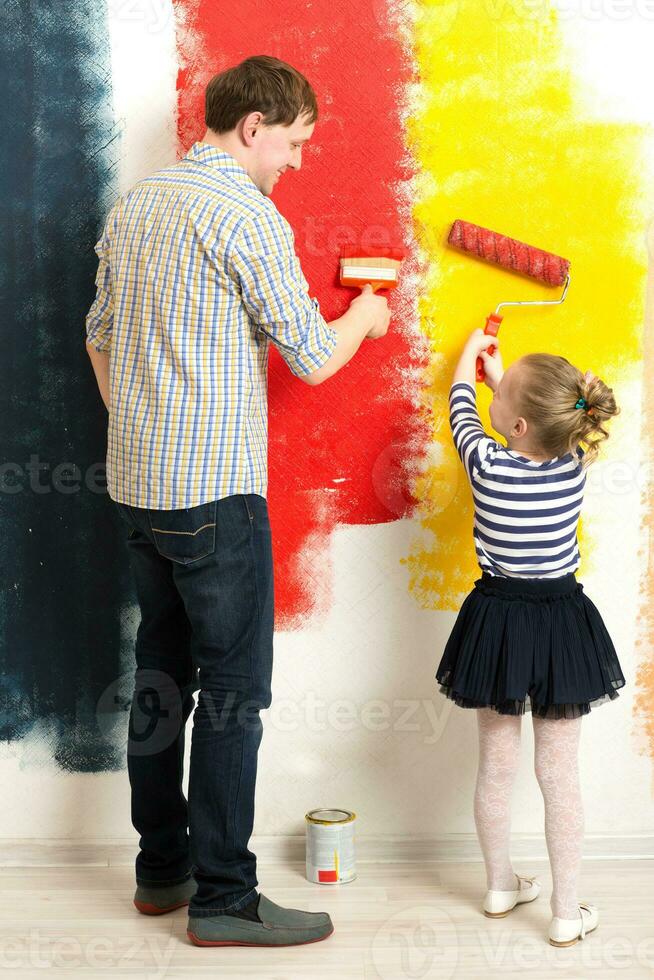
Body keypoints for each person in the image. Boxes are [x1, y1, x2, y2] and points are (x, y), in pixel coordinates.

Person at [84, 55, 390, 948]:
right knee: (232, 697)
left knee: (162, 679)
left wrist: (146, 432)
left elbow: (99, 340)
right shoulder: (246, 217)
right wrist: (367, 319)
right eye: (292, 143)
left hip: (142, 491)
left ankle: (161, 870)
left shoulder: (137, 203)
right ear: (252, 126)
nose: (294, 162)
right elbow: (312, 356)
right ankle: (223, 898)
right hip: (217, 499)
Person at [436, 328, 625, 948]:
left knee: (495, 768)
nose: (493, 399)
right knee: (559, 775)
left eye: (504, 399)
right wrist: (511, 387)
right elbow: (542, 421)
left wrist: (473, 355)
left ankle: (498, 885)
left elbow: (461, 401)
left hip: (497, 623)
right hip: (561, 623)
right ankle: (567, 912)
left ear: (515, 427)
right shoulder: (574, 462)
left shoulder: (484, 462)